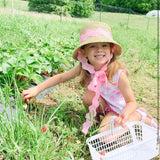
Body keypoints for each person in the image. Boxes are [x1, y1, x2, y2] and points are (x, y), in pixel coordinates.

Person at [22, 22, 159, 135]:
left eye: (104, 45)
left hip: (123, 110)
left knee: (108, 137)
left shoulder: (118, 73)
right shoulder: (85, 67)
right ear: (84, 52)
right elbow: (61, 77)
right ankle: (99, 121)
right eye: (93, 46)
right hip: (109, 109)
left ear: (111, 49)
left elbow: (131, 102)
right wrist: (37, 89)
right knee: (92, 106)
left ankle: (140, 117)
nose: (99, 50)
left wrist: (125, 115)